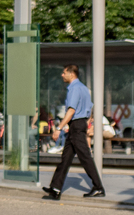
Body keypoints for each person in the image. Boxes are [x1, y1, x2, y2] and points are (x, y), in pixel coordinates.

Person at [42, 64, 105, 199]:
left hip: (76, 125)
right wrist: (86, 123)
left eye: (64, 73)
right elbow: (90, 108)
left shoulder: (74, 89)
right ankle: (55, 188)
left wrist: (58, 128)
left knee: (85, 158)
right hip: (78, 125)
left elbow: (71, 111)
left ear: (72, 74)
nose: (62, 75)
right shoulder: (84, 88)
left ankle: (98, 187)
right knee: (65, 159)